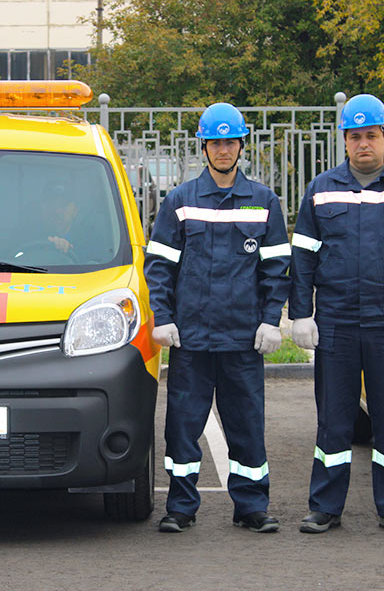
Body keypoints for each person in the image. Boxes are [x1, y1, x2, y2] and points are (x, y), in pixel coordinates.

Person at [289, 94, 384, 536]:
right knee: (334, 419)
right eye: (354, 137)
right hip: (336, 322)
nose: (363, 145)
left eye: (371, 136)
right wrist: (301, 314)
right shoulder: (321, 190)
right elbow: (303, 260)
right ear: (343, 140)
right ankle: (325, 507)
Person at [145, 103, 291, 533]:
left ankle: (251, 507)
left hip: (244, 340)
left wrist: (270, 320)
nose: (223, 150)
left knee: (247, 426)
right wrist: (164, 317)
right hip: (191, 339)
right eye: (215, 143)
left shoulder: (264, 202)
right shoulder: (181, 201)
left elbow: (276, 269)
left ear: (241, 145)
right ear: (203, 147)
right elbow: (159, 266)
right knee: (183, 428)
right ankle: (181, 507)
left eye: (230, 142)